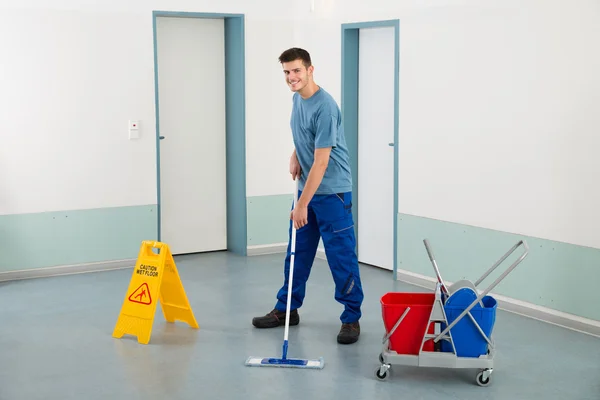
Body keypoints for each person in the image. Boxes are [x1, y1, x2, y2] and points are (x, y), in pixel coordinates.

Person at [251, 47, 364, 345]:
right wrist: (295, 154)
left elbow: (324, 160)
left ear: (310, 70)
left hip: (332, 195)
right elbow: (308, 137)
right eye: (287, 72)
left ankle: (351, 317)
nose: (291, 77)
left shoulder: (325, 106)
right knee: (297, 253)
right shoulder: (297, 99)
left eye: (297, 71)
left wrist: (302, 205)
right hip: (306, 187)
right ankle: (287, 309)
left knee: (340, 257)